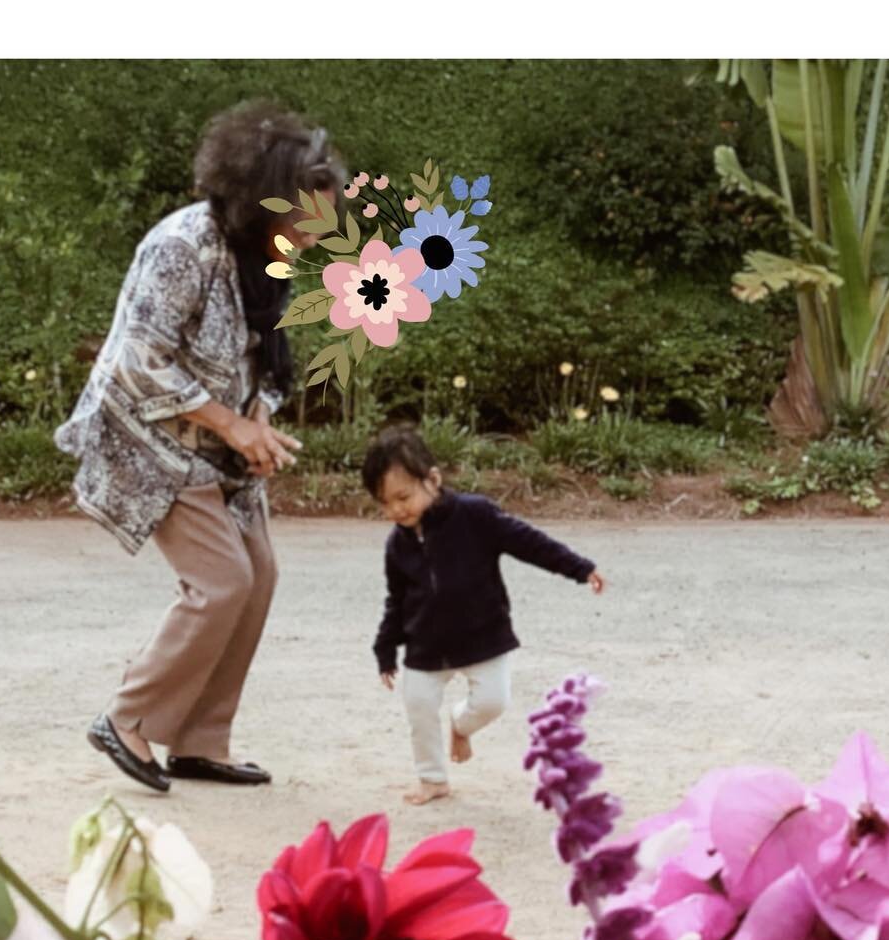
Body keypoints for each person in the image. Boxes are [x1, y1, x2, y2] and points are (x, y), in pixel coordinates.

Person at [56, 100, 344, 793]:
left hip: (215, 446)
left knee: (259, 575)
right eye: (311, 214)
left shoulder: (268, 255)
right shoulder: (182, 246)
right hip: (148, 439)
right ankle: (126, 719)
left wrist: (257, 419)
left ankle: (198, 739)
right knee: (221, 583)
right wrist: (229, 423)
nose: (323, 229)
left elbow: (262, 354)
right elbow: (135, 359)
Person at [363, 424, 606, 805]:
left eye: (403, 496)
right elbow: (395, 599)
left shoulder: (476, 515)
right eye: (385, 503)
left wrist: (579, 568)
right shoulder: (397, 544)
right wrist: (385, 650)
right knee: (420, 709)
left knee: (494, 701)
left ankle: (461, 726)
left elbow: (530, 543)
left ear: (433, 480)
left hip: (483, 635)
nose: (396, 509)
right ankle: (433, 779)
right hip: (425, 645)